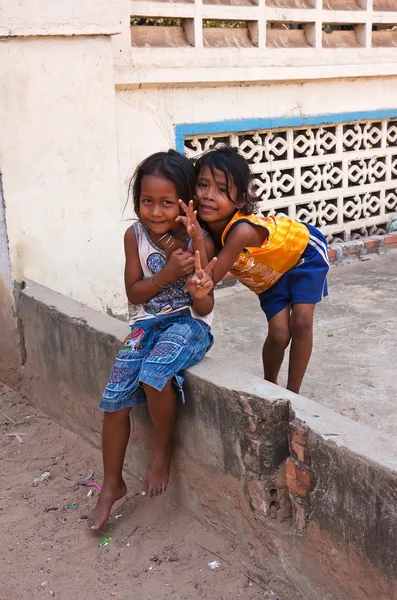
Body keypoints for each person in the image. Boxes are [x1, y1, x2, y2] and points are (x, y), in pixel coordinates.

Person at [88, 150, 216, 531]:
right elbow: (134, 292)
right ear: (137, 200)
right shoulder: (135, 236)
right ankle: (111, 483)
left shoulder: (198, 238)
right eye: (147, 201)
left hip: (189, 323)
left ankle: (161, 452)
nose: (155, 212)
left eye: (165, 203)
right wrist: (166, 275)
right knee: (114, 398)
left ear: (184, 202)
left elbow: (206, 303)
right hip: (146, 322)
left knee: (154, 371)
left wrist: (194, 276)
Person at [178, 145, 329, 395]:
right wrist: (194, 238)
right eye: (203, 185)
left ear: (239, 200)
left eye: (222, 190)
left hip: (302, 253)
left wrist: (197, 255)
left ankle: (294, 395)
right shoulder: (204, 232)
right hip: (269, 276)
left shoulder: (241, 231)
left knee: (301, 321)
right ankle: (270, 388)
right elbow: (203, 274)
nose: (208, 195)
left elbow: (208, 280)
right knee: (279, 334)